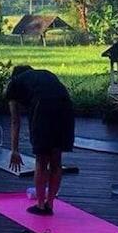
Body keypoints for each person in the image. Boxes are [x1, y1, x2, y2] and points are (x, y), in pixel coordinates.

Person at [5, 65, 75, 216]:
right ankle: (50, 204)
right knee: (56, 158)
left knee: (42, 159)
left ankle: (40, 205)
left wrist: (15, 150)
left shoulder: (14, 84)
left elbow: (15, 121)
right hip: (66, 105)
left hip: (43, 105)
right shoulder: (43, 75)